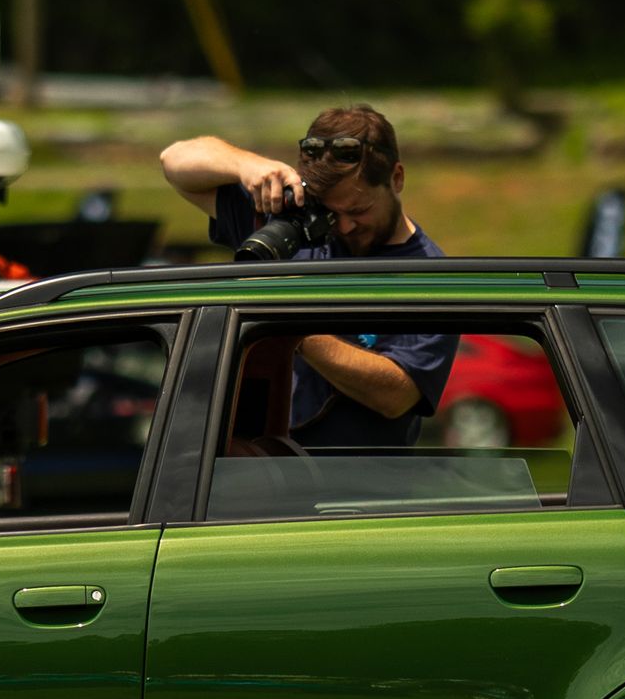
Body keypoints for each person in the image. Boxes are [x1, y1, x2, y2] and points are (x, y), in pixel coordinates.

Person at [156, 101, 453, 446]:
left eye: (358, 210)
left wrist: (288, 320)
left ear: (397, 178)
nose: (343, 225)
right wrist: (247, 165)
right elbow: (174, 161)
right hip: (262, 474)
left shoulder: (430, 275)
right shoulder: (293, 222)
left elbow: (396, 396)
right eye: (329, 213)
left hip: (363, 490)